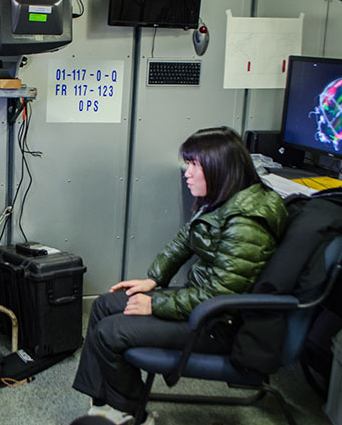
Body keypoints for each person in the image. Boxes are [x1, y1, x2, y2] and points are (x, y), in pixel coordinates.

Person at [72, 127, 288, 425]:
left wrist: (154, 304)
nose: (187, 173)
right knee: (104, 305)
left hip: (218, 322)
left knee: (111, 332)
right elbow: (185, 240)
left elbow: (221, 296)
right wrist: (154, 280)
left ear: (218, 168)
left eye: (194, 165)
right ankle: (107, 406)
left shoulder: (246, 222)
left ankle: (133, 415)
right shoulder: (225, 200)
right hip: (199, 303)